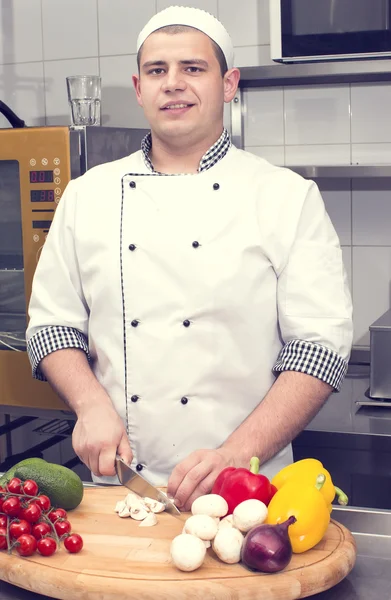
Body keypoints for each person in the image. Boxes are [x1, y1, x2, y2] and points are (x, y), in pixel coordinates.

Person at [26, 5, 353, 512]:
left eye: (193, 69)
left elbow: (318, 348)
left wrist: (236, 454)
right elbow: (52, 326)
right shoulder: (87, 195)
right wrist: (90, 406)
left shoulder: (287, 196)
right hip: (119, 486)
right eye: (157, 71)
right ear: (139, 89)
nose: (173, 84)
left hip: (249, 492)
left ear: (229, 84)